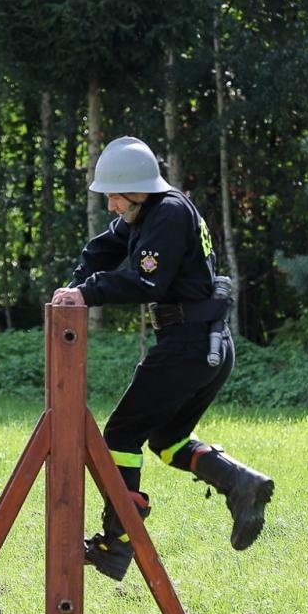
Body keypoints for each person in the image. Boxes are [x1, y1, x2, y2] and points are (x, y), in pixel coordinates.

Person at [49, 136, 273, 581]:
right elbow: (101, 250)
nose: (111, 205)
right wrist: (73, 285)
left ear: (138, 189)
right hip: (203, 344)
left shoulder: (167, 213)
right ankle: (240, 483)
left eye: (115, 196)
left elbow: (145, 283)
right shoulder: (145, 212)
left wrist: (87, 294)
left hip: (189, 344)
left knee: (120, 436)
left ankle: (118, 542)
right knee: (167, 441)